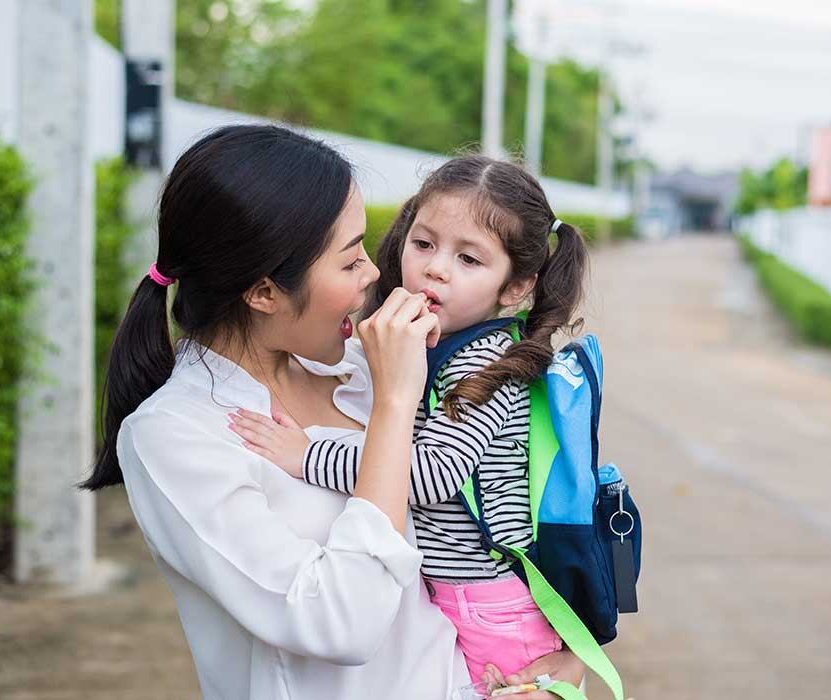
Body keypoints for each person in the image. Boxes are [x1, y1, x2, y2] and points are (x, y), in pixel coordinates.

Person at [80, 126, 583, 699]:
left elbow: (492, 519)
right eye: (349, 262)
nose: (375, 274)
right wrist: (395, 405)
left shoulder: (365, 368)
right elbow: (343, 624)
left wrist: (558, 665)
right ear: (264, 292)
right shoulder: (174, 438)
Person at [228, 154, 592, 683]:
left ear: (515, 288)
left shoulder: (483, 363)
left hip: (489, 609)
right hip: (467, 602)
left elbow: (430, 474)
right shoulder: (432, 343)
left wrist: (307, 455)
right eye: (424, 244)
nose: (436, 268)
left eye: (470, 260)